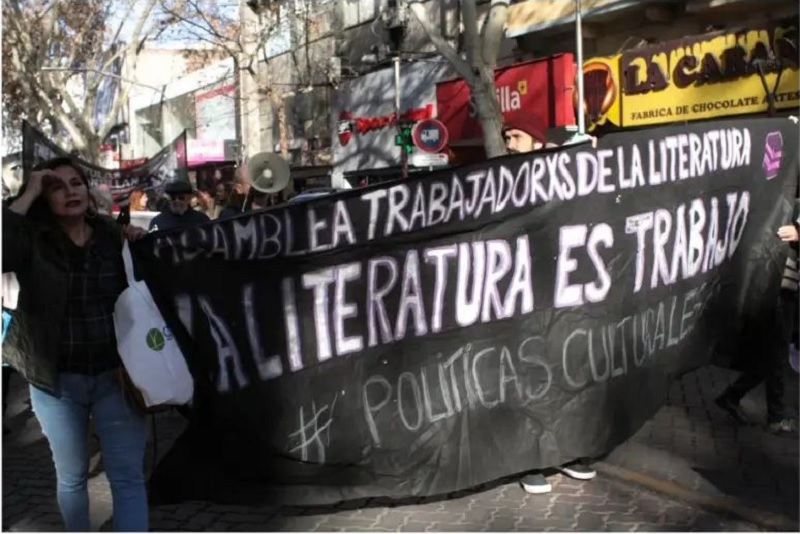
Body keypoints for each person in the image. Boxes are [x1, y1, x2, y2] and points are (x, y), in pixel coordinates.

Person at [3, 156, 149, 531]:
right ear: (43, 199)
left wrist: (137, 242)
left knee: (128, 477)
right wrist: (31, 188)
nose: (71, 192)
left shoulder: (111, 237)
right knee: (72, 478)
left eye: (77, 183)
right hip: (56, 382)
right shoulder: (32, 241)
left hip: (116, 378)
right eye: (57, 187)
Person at [500, 116, 598, 494]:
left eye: (518, 135)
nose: (510, 141)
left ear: (539, 144)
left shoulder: (567, 178)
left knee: (570, 373)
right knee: (530, 377)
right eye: (507, 135)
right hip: (524, 299)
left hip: (567, 296)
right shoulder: (503, 180)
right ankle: (531, 460)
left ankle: (570, 452)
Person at [715, 214, 799, 434]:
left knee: (771, 356)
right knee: (778, 353)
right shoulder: (788, 201)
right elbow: (787, 232)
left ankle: (732, 395)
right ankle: (776, 416)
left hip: (786, 289)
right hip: (779, 288)